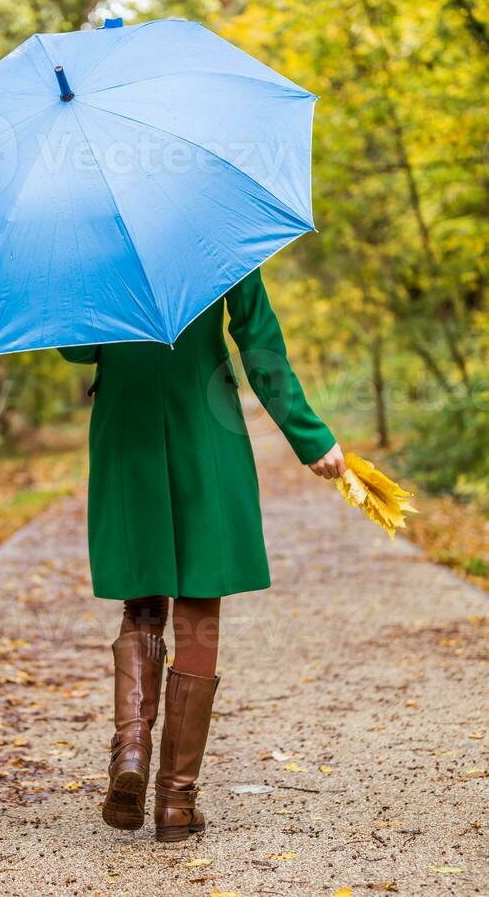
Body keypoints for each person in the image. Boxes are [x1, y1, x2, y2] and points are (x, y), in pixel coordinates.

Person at [58, 267, 345, 842]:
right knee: (198, 597)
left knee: (143, 593)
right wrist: (310, 435)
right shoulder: (219, 230)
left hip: (126, 424)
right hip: (204, 422)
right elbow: (259, 344)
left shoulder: (93, 242)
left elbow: (77, 348)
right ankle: (175, 802)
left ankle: (132, 749)